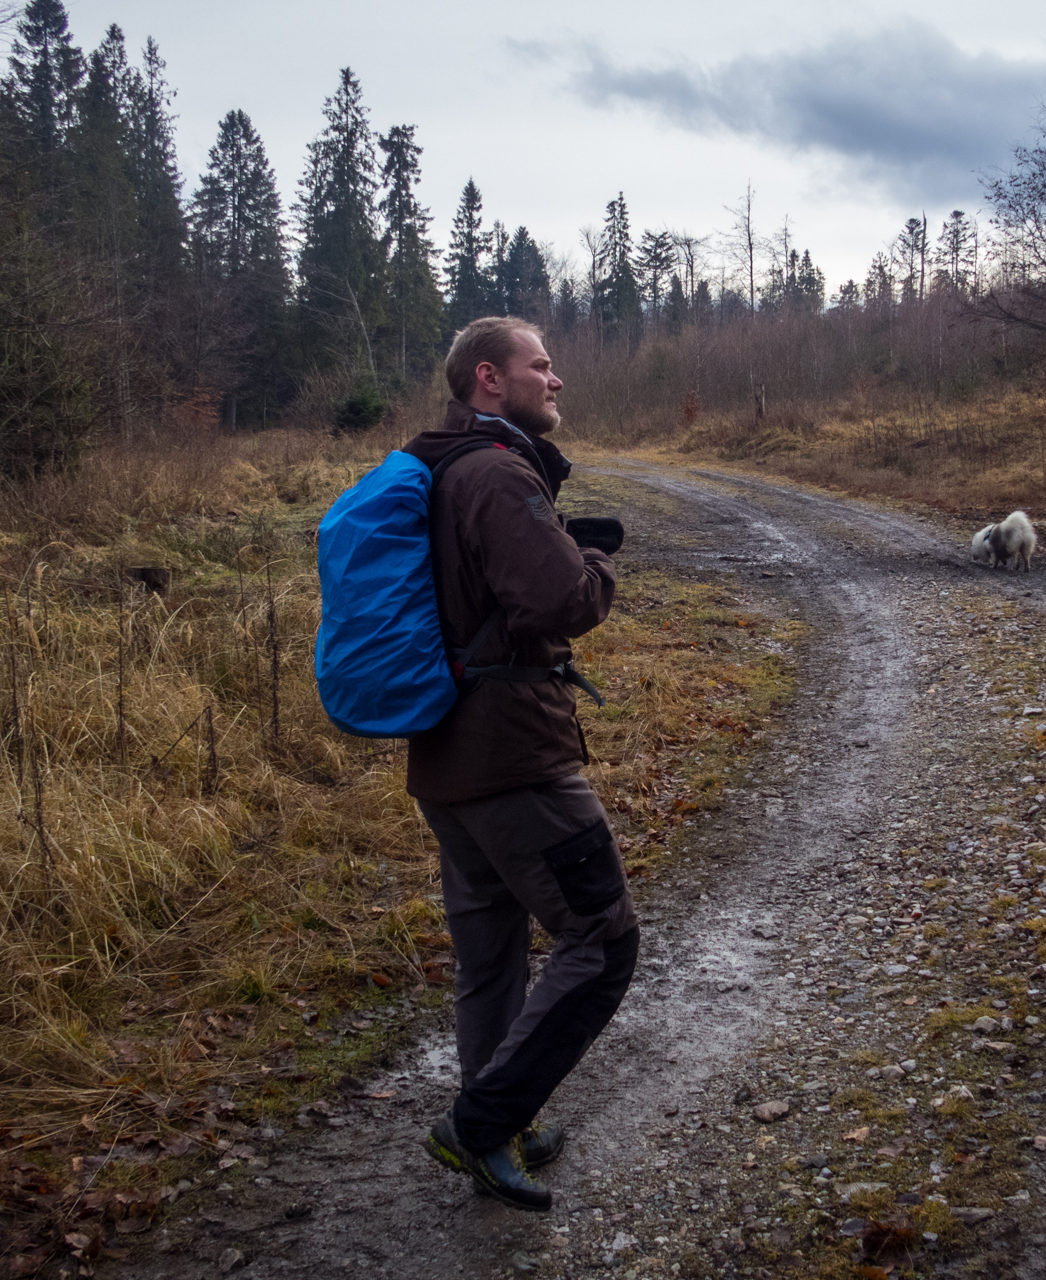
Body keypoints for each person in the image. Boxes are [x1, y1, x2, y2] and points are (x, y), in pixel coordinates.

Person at [405, 317, 638, 1212]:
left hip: (446, 756)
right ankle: (476, 1124)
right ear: (491, 380)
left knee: (492, 955)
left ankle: (498, 1123)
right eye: (543, 366)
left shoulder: (438, 467)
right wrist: (596, 555)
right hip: (515, 759)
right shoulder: (499, 473)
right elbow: (562, 601)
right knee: (604, 941)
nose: (559, 380)